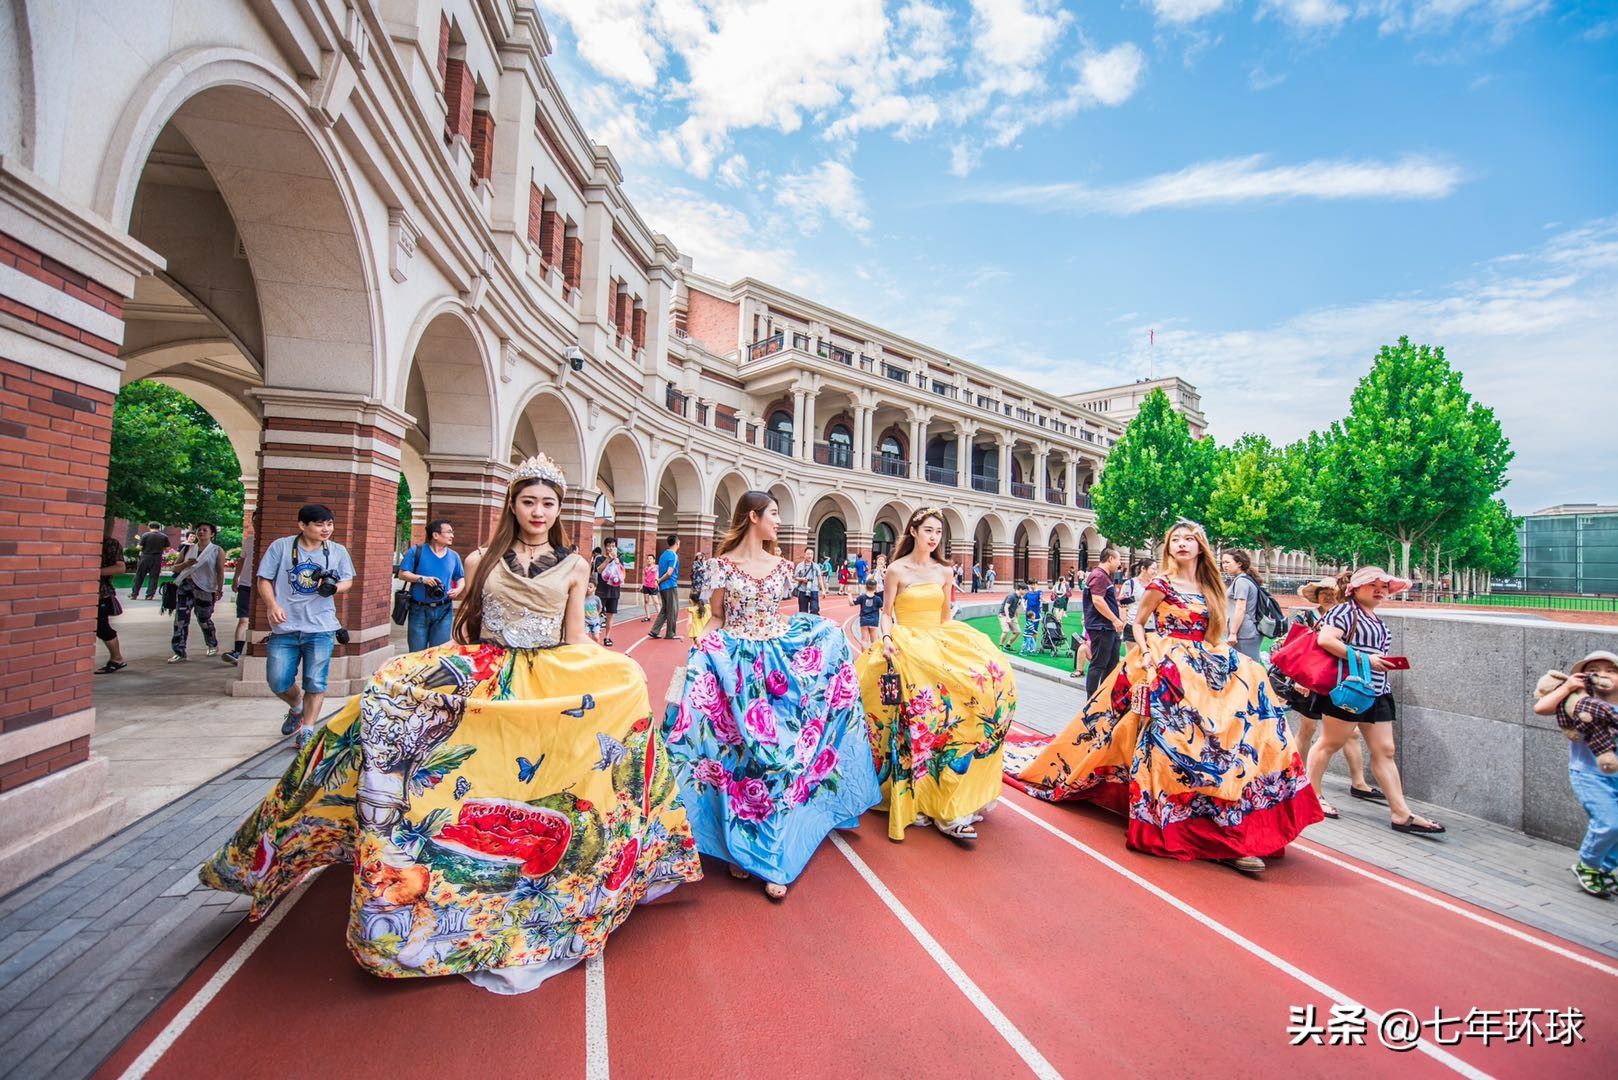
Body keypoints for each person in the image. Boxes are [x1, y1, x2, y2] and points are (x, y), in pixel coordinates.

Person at [201, 453, 701, 992]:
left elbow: (574, 634)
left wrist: (619, 667)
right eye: (529, 500)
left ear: (560, 509)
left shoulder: (576, 565)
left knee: (542, 779)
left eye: (549, 503)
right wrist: (430, 666)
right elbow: (469, 627)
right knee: (386, 712)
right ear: (513, 503)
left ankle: (546, 890)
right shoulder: (482, 556)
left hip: (551, 678)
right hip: (487, 671)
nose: (538, 510)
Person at [1009, 520, 1323, 873]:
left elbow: (1214, 632)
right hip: (1167, 660)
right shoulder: (1161, 583)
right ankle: (1197, 823)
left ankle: (1239, 819)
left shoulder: (1211, 586)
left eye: (1190, 539)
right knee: (1179, 740)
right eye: (1176, 540)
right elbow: (1139, 622)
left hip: (1209, 663)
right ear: (1168, 547)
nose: (1183, 545)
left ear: (1201, 546)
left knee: (1249, 720)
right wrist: (1146, 653)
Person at [666, 491, 880, 899]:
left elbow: (781, 616)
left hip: (779, 666)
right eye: (775, 514)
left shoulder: (783, 568)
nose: (780, 522)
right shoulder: (720, 567)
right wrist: (696, 656)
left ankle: (770, 846)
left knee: (783, 753)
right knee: (738, 754)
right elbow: (717, 618)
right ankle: (737, 845)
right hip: (736, 667)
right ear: (753, 516)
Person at [857, 508, 1015, 841]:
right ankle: (917, 796)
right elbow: (886, 615)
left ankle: (948, 798)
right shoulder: (896, 570)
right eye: (928, 530)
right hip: (905, 644)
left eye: (938, 532)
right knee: (917, 723)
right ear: (913, 530)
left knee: (974, 703)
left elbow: (944, 618)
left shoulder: (945, 572)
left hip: (938, 644)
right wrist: (886, 640)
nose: (933, 537)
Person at [1306, 566, 1444, 835]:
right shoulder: (1345, 611)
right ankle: (1311, 795)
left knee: (1385, 750)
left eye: (1384, 586)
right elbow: (1326, 639)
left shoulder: (1374, 618)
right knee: (1330, 743)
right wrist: (1365, 659)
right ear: (1355, 588)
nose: (1380, 589)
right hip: (1349, 688)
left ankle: (1401, 812)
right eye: (1373, 585)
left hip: (1377, 690)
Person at [257, 504, 355, 745]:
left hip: (321, 627)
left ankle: (308, 729)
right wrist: (272, 605)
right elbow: (264, 579)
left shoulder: (336, 551)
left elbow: (348, 580)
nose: (326, 529)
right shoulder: (281, 547)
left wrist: (334, 587)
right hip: (285, 627)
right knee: (277, 680)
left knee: (316, 681)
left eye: (329, 524)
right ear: (303, 525)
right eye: (320, 524)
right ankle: (296, 706)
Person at [1284, 579, 1379, 815]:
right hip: (1312, 680)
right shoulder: (1307, 617)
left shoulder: (1347, 617)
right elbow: (1293, 646)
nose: (1327, 596)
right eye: (1322, 593)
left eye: (1331, 592)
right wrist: (1299, 679)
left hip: (1338, 682)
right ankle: (1299, 776)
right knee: (1308, 729)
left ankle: (1359, 782)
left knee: (1351, 734)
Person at [1534, 650, 1618, 896]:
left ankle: (1602, 869)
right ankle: (1587, 864)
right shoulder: (1579, 701)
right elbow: (1541, 707)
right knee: (1610, 823)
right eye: (1595, 670)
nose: (1603, 675)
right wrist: (1567, 686)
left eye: (1610, 670)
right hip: (1590, 775)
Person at [396, 519, 465, 652]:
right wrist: (423, 579)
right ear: (435, 535)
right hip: (418, 609)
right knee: (416, 653)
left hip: (444, 610)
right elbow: (402, 574)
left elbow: (460, 578)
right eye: (449, 532)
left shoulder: (454, 556)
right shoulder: (416, 551)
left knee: (439, 653)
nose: (452, 536)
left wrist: (458, 589)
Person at [168, 522, 224, 663]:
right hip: (185, 586)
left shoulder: (216, 550)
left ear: (212, 534)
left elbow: (220, 571)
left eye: (205, 530)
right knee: (180, 620)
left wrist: (219, 589)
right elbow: (175, 568)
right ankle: (179, 651)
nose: (201, 532)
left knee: (204, 619)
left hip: (205, 589)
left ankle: (212, 644)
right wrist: (186, 564)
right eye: (199, 530)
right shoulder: (187, 549)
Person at [1081, 547, 1126, 699]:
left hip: (1108, 627)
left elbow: (1102, 599)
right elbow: (1097, 600)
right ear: (1110, 559)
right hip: (1101, 626)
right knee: (1099, 663)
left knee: (1112, 662)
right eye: (1118, 560)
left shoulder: (1105, 577)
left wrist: (1117, 605)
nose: (1119, 564)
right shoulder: (1099, 576)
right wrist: (1115, 619)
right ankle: (1092, 700)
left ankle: (1104, 696)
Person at [1221, 549, 1264, 661]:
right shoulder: (1245, 579)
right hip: (1246, 631)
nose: (1224, 565)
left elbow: (1240, 609)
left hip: (1244, 633)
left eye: (1227, 562)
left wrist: (1233, 633)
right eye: (1223, 563)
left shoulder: (1241, 582)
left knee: (1247, 669)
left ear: (1239, 563)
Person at [94, 536, 128, 673]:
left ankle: (116, 659)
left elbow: (120, 568)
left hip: (101, 593)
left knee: (102, 627)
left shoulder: (109, 543)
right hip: (81, 592)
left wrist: (92, 572)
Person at [222, 532, 255, 665]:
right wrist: (236, 578)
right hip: (246, 585)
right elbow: (242, 560)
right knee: (243, 619)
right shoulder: (249, 540)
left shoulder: (274, 541)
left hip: (265, 586)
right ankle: (237, 651)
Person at [1118, 558, 1156, 657]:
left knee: (1150, 657)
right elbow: (1122, 603)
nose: (1155, 572)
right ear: (1143, 569)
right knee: (1132, 657)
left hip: (1151, 626)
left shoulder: (1155, 585)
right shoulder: (1130, 584)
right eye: (1153, 569)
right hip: (1133, 624)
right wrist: (1124, 621)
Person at [648, 535, 682, 639]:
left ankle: (654, 630)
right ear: (677, 543)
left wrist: (658, 581)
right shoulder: (673, 555)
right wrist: (659, 580)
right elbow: (669, 572)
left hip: (663, 586)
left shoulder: (663, 555)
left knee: (665, 609)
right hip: (670, 584)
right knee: (673, 609)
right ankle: (670, 633)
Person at [594, 538, 625, 646]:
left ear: (616, 547)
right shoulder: (599, 558)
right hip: (601, 591)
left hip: (614, 591)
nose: (610, 548)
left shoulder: (620, 559)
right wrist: (608, 559)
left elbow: (623, 575)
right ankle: (595, 636)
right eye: (608, 546)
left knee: (610, 615)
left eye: (613, 546)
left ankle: (607, 637)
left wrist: (617, 563)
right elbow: (599, 570)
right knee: (597, 613)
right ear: (605, 547)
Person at [130, 522, 169, 600]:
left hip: (145, 557)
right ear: (159, 527)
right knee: (154, 577)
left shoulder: (145, 535)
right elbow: (167, 548)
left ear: (149, 527)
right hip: (157, 557)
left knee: (139, 576)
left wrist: (139, 543)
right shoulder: (164, 536)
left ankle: (134, 594)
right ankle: (150, 595)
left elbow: (139, 547)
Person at [793, 545, 824, 615]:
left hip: (814, 590)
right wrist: (802, 579)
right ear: (804, 555)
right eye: (808, 554)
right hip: (802, 591)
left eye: (811, 554)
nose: (810, 556)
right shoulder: (800, 565)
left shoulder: (816, 566)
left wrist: (823, 590)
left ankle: (814, 624)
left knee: (815, 609)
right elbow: (795, 577)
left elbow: (820, 578)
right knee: (803, 612)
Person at [854, 578, 883, 646]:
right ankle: (873, 655)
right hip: (874, 621)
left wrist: (849, 594)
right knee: (875, 641)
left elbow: (852, 603)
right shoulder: (878, 599)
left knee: (864, 640)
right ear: (875, 587)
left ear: (866, 587)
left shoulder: (862, 597)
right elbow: (883, 609)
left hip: (864, 621)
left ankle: (864, 655)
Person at [997, 583, 1025, 649]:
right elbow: (1006, 607)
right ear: (1020, 589)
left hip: (1012, 616)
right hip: (1003, 615)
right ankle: (1000, 646)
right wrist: (1008, 618)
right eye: (1025, 590)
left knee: (1017, 631)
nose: (1026, 592)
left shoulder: (1020, 597)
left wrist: (1017, 618)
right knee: (1006, 631)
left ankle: (1008, 645)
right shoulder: (1011, 596)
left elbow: (1017, 608)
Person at [641, 557, 660, 624]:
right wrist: (642, 585)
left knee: (656, 601)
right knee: (646, 601)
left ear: (654, 560)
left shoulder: (657, 567)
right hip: (646, 586)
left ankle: (660, 617)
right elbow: (644, 577)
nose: (648, 560)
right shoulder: (645, 568)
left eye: (650, 559)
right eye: (648, 558)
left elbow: (657, 574)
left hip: (653, 586)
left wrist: (656, 581)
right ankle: (648, 617)